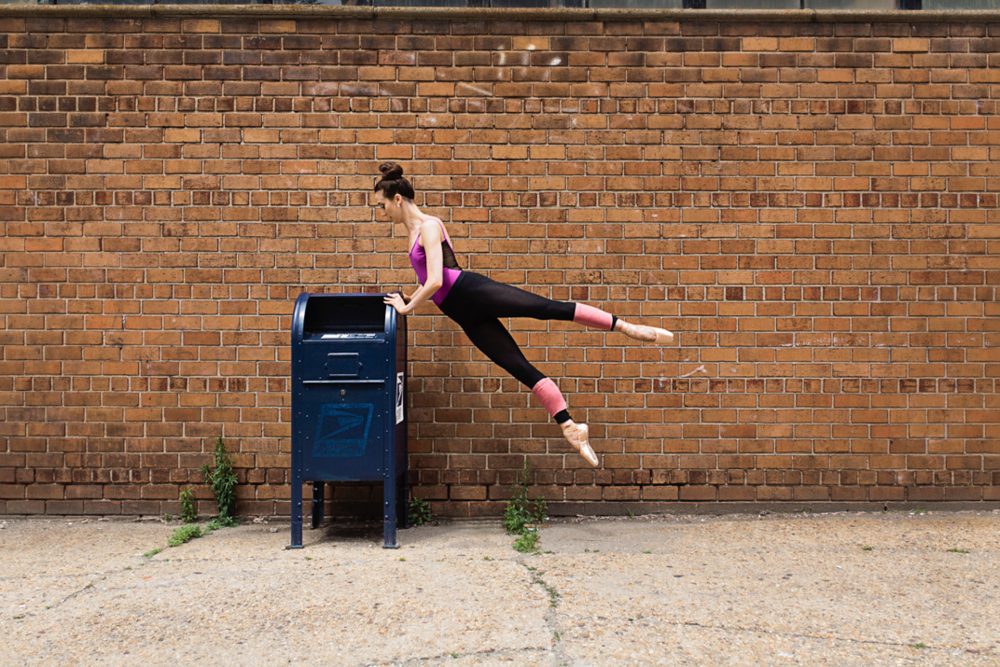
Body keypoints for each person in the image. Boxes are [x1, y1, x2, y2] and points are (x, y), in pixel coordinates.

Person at [374, 162, 673, 467]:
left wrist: (409, 307)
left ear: (397, 199)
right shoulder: (411, 233)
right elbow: (430, 282)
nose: (382, 213)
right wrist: (415, 294)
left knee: (544, 308)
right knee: (518, 366)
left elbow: (439, 278)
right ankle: (571, 427)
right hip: (462, 313)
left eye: (382, 206)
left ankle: (626, 327)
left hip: (472, 292)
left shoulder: (428, 226)